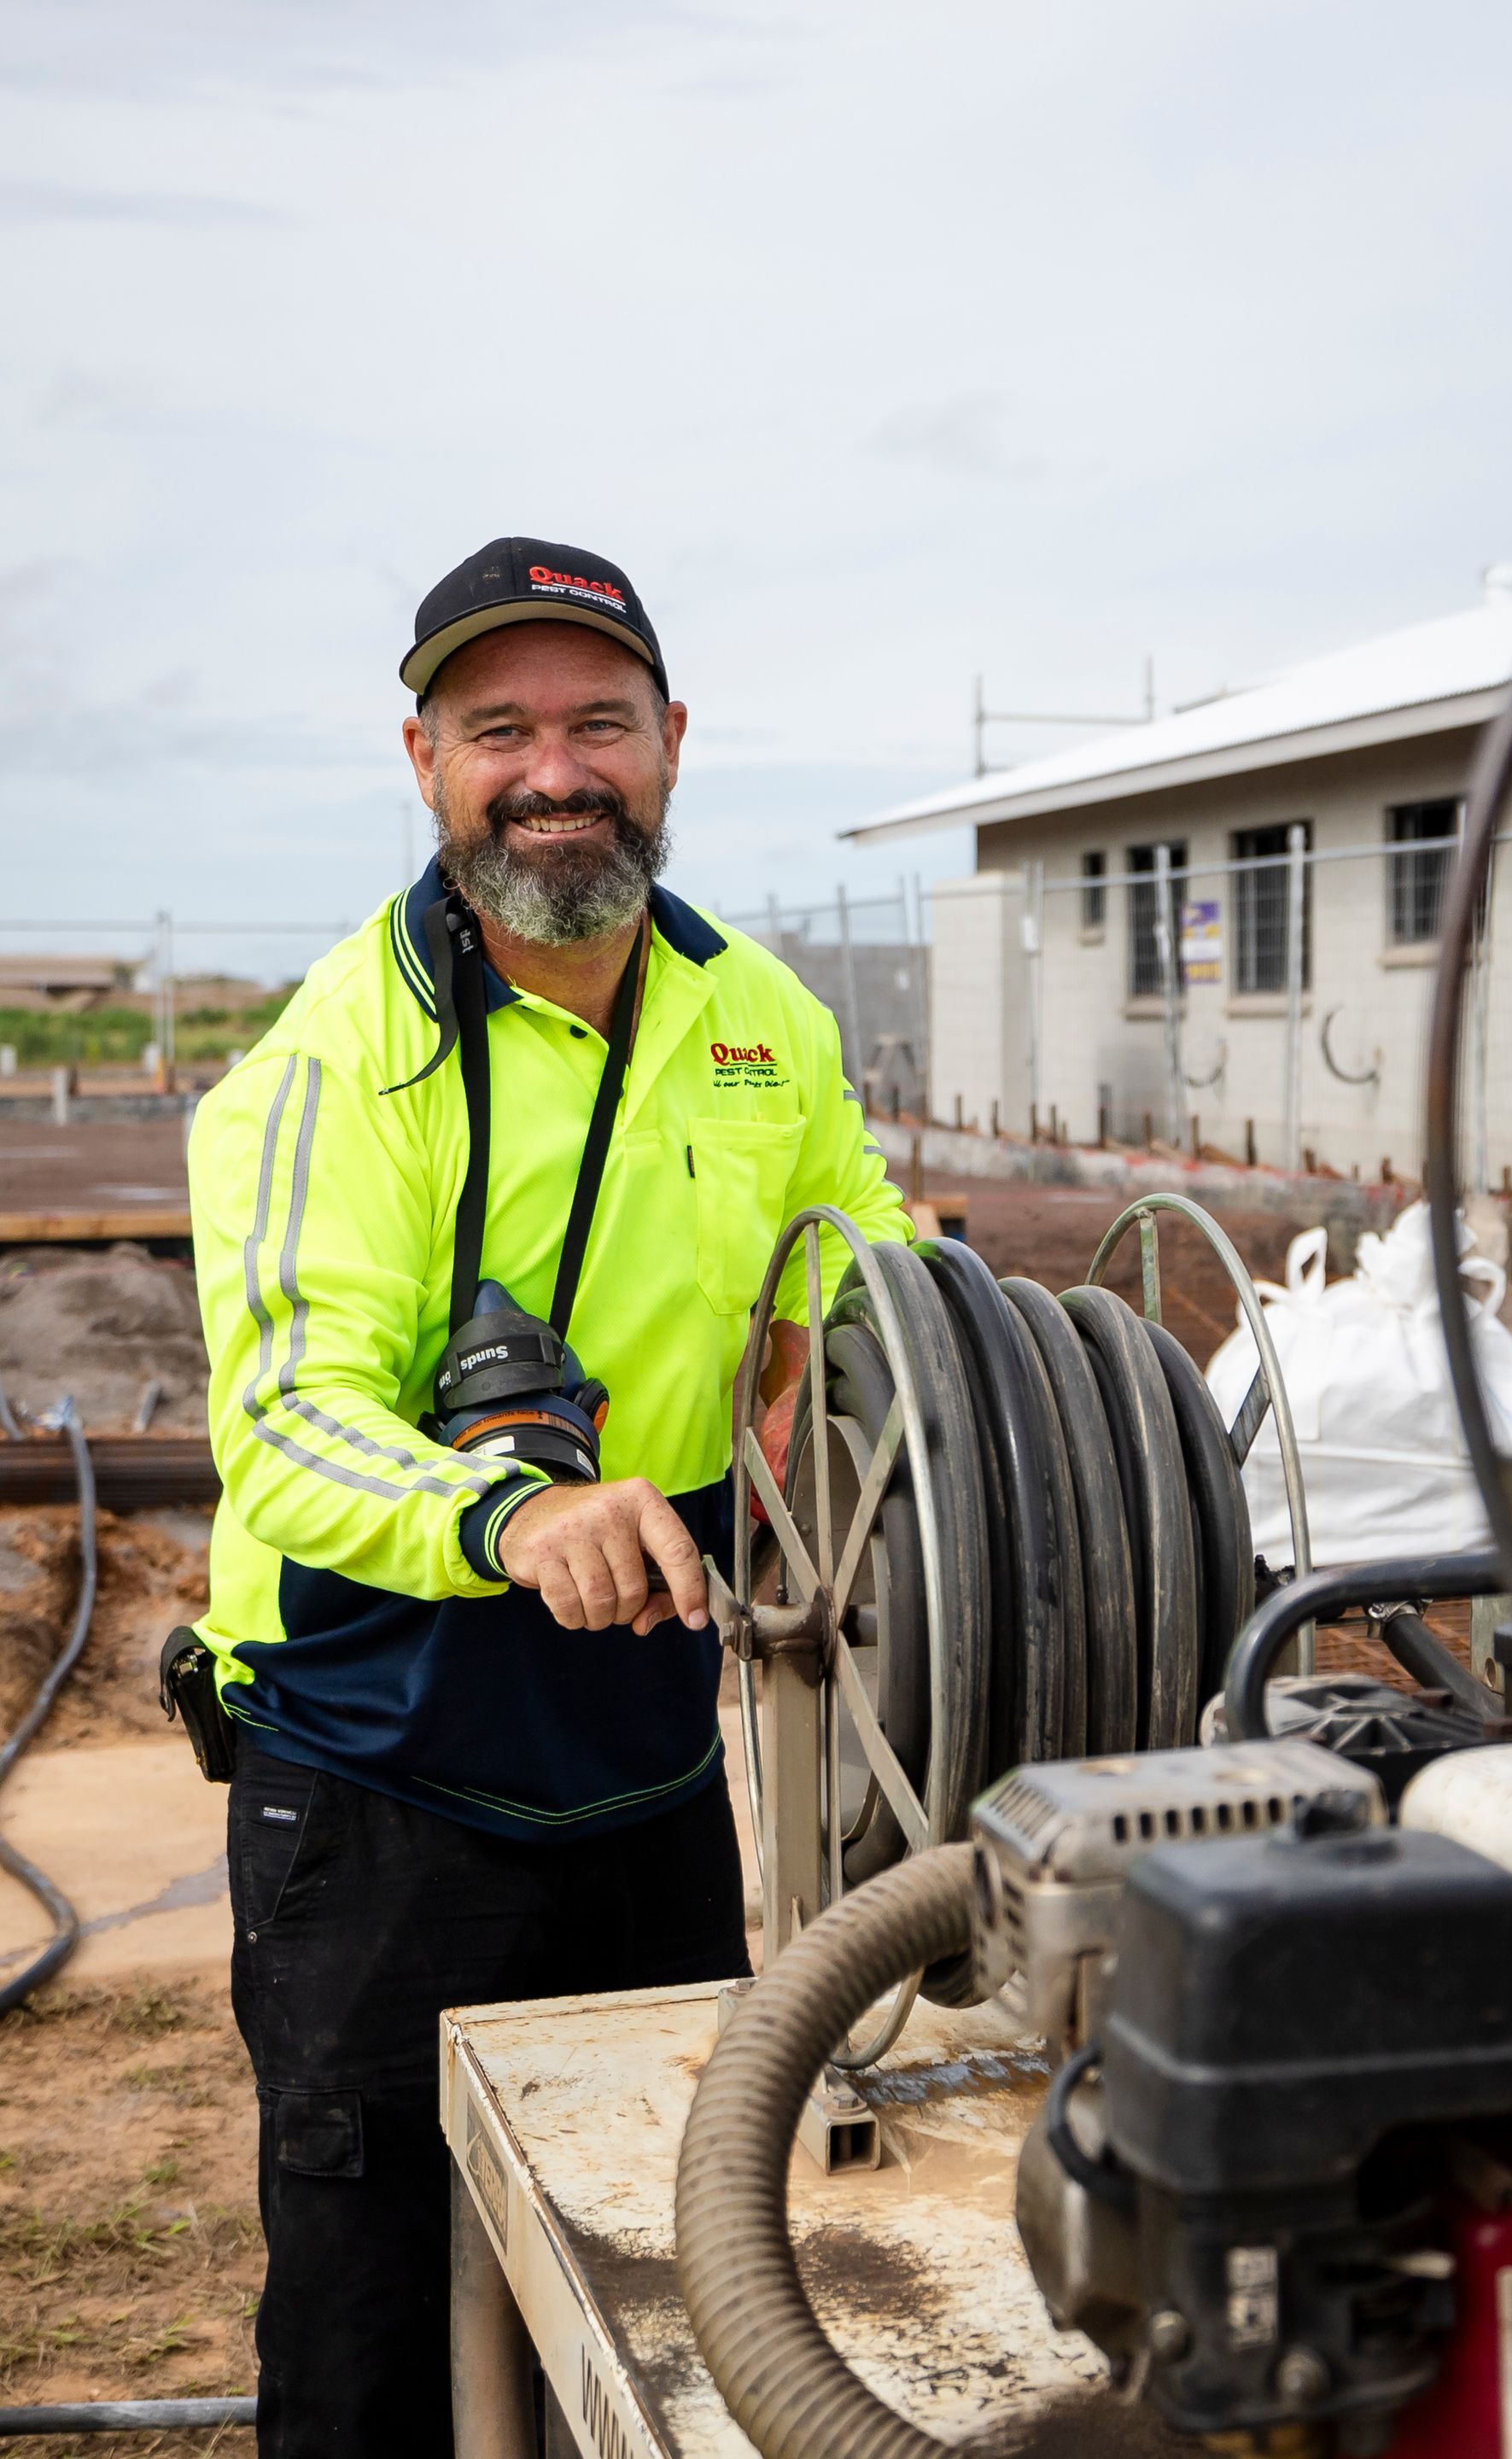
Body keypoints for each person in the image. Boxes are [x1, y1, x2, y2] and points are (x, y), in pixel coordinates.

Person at [185, 536, 913, 2458]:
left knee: (681, 2267)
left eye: (598, 720)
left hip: (653, 1757)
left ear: (671, 743)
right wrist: (513, 1515)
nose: (553, 768)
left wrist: (908, 1388)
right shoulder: (335, 1062)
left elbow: (872, 1291)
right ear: (422, 758)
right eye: (498, 727)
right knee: (379, 2322)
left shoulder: (761, 1018)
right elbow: (285, 1413)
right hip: (379, 1770)